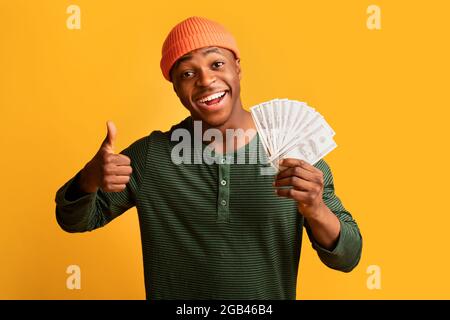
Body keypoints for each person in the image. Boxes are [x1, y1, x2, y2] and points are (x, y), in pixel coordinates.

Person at [55, 16, 362, 300]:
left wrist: (316, 209)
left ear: (237, 68)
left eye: (216, 64)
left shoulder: (293, 153)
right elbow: (76, 221)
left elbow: (348, 256)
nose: (205, 80)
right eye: (188, 73)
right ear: (176, 87)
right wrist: (89, 178)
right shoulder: (151, 157)